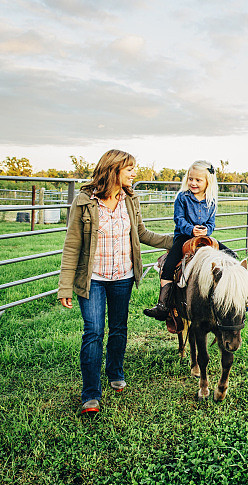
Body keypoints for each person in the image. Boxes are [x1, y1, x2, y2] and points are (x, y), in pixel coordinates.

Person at [58, 149, 173, 415]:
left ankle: (115, 371)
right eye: (130, 169)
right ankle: (90, 394)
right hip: (93, 279)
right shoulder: (85, 201)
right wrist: (65, 285)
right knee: (94, 332)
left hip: (123, 276)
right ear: (114, 170)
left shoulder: (130, 200)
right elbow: (72, 245)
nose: (135, 173)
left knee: (119, 328)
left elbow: (142, 234)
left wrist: (176, 240)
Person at [143, 160, 217, 322]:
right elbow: (179, 219)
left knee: (228, 255)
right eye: (191, 179)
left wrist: (206, 231)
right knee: (169, 266)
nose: (193, 183)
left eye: (198, 180)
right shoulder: (182, 197)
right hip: (184, 237)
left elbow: (211, 223)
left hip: (204, 239)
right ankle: (163, 305)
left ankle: (235, 292)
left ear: (207, 182)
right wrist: (191, 229)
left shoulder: (211, 201)